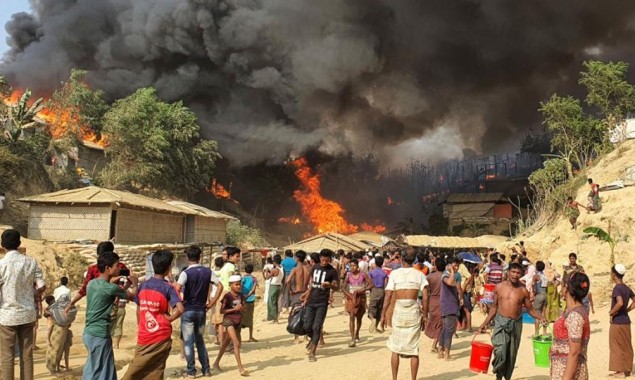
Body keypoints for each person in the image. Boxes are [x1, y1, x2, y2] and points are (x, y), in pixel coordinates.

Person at [122, 250, 183, 380]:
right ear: (168, 268)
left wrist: (141, 326)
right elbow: (180, 309)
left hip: (145, 334)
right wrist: (170, 319)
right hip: (161, 334)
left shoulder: (144, 285)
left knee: (136, 368)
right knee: (156, 369)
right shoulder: (169, 288)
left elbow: (139, 309)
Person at [479, 262, 546, 380]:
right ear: (508, 272)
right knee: (500, 351)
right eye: (513, 272)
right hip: (500, 323)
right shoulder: (499, 287)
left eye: (518, 273)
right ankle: (498, 373)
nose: (515, 275)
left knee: (511, 354)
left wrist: (541, 318)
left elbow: (530, 309)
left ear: (521, 274)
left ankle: (504, 377)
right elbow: (494, 308)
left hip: (515, 324)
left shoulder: (523, 290)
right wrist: (484, 323)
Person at [83, 251, 137, 380]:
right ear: (108, 269)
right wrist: (135, 284)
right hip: (100, 335)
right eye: (116, 266)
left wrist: (124, 286)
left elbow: (107, 293)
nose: (119, 268)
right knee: (99, 372)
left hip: (89, 333)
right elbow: (133, 297)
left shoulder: (92, 284)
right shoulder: (111, 288)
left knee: (97, 367)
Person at [0, 229, 46, 380]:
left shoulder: (2, 264)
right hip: (27, 314)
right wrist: (31, 294)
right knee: (27, 356)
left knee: (7, 357)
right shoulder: (31, 262)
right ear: (19, 244)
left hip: (7, 316)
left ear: (2, 245)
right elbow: (41, 286)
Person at [380, 249, 429, 380]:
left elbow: (389, 295)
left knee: (395, 347)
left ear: (401, 258)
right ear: (414, 260)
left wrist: (383, 314)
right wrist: (425, 315)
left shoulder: (395, 274)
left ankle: (394, 378)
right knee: (414, 349)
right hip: (413, 310)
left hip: (399, 311)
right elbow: (425, 298)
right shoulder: (419, 275)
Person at [176, 245, 222, 378]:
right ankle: (206, 370)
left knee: (188, 342)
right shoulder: (207, 271)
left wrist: (180, 303)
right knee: (200, 341)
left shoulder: (185, 273)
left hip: (188, 310)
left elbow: (177, 289)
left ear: (187, 257)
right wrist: (211, 303)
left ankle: (191, 371)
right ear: (199, 257)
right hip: (202, 310)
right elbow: (220, 286)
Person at [66, 241, 129, 312]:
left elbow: (129, 280)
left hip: (109, 306)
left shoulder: (118, 267)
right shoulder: (93, 269)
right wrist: (72, 303)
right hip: (104, 306)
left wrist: (121, 293)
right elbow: (84, 289)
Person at [550, 271, 591, 380]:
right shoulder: (572, 311)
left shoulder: (575, 316)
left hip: (568, 372)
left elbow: (574, 352)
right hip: (562, 369)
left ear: (566, 287)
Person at [302, 249, 339, 362]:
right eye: (322, 260)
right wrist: (306, 295)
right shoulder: (315, 267)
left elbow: (337, 287)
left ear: (330, 260)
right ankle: (313, 340)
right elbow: (311, 284)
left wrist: (330, 286)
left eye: (326, 261)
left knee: (317, 327)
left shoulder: (332, 271)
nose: (324, 262)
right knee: (307, 326)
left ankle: (312, 352)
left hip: (322, 302)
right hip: (311, 301)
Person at [213, 275, 248, 376]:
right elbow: (222, 310)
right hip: (229, 321)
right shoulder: (227, 296)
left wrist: (241, 308)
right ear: (230, 285)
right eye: (236, 284)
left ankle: (216, 363)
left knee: (225, 342)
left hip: (238, 321)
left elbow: (245, 309)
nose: (238, 286)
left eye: (239, 284)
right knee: (236, 343)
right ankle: (241, 368)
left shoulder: (241, 296)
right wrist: (234, 309)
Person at [608, 264, 635, 378]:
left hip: (618, 321)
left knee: (616, 346)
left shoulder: (617, 288)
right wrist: (627, 310)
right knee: (626, 345)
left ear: (614, 274)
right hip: (626, 321)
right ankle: (627, 369)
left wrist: (611, 312)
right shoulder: (626, 288)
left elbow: (619, 303)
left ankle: (621, 371)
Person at [343, 259, 373, 347]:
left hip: (361, 298)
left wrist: (363, 290)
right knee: (352, 316)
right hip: (352, 298)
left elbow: (371, 284)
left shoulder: (363, 274)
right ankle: (352, 338)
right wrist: (349, 295)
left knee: (359, 318)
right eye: (350, 266)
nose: (352, 268)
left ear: (357, 266)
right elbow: (343, 288)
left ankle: (357, 333)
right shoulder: (348, 276)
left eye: (354, 266)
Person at [439, 257, 461, 360]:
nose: (456, 268)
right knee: (449, 330)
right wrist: (452, 271)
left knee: (445, 329)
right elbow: (449, 282)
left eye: (457, 266)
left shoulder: (450, 275)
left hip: (449, 305)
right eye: (454, 265)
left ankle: (440, 351)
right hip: (449, 305)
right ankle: (446, 354)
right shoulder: (446, 274)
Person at [286, 250, 310, 343]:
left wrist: (290, 290)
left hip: (297, 293)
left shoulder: (295, 269)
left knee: (295, 314)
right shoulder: (308, 269)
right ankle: (306, 336)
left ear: (297, 258)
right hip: (306, 293)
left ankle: (296, 338)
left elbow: (288, 281)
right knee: (306, 314)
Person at [424, 258, 444, 353]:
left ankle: (438, 343)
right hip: (442, 301)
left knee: (435, 321)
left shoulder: (429, 277)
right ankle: (435, 344)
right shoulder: (445, 276)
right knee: (441, 323)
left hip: (432, 300)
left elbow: (425, 292)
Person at [368, 255, 388, 333]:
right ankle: (376, 328)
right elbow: (386, 284)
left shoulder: (372, 272)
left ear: (375, 263)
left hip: (374, 290)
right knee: (379, 309)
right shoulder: (384, 273)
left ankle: (372, 319)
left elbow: (369, 283)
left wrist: (370, 291)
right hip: (382, 291)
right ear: (382, 263)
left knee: (371, 310)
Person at [240, 264, 258, 342]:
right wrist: (248, 296)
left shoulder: (242, 278)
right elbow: (253, 289)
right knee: (250, 318)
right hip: (250, 300)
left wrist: (243, 296)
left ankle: (239, 337)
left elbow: (239, 288)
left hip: (242, 300)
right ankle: (250, 337)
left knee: (240, 318)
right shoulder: (254, 279)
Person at [531, 261, 549, 337]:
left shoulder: (536, 276)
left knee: (537, 314)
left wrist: (533, 292)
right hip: (545, 294)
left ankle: (536, 333)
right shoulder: (544, 276)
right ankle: (544, 332)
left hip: (539, 295)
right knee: (544, 314)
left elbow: (532, 284)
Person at [266, 255, 284, 323]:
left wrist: (267, 271)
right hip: (279, 285)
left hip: (273, 286)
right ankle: (276, 318)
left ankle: (274, 318)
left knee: (271, 303)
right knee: (275, 302)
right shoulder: (281, 268)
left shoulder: (274, 269)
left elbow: (267, 277)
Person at [111, 280, 127, 349]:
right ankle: (116, 344)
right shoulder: (125, 290)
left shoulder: (114, 288)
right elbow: (128, 300)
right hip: (122, 308)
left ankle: (110, 343)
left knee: (110, 326)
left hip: (114, 308)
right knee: (119, 326)